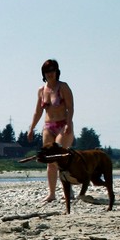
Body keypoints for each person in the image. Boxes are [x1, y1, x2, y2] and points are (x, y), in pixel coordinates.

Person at [27, 58, 75, 204]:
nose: (50, 73)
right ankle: (52, 193)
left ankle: (68, 189)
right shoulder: (41, 90)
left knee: (60, 158)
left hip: (63, 125)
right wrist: (31, 128)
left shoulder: (63, 87)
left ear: (57, 71)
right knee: (50, 161)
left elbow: (70, 107)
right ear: (43, 73)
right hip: (48, 127)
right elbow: (38, 112)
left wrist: (68, 124)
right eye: (47, 71)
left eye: (52, 70)